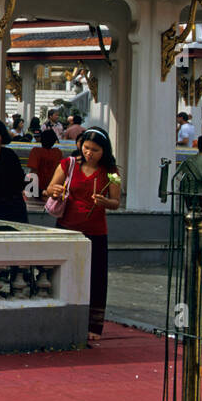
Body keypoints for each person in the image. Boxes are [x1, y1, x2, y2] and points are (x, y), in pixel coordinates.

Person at [46, 129, 121, 342]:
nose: (89, 153)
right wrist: (55, 190)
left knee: (96, 278)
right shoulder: (68, 164)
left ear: (104, 151)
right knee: (63, 275)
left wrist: (105, 202)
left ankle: (93, 325)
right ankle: (59, 318)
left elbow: (116, 202)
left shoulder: (110, 172)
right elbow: (50, 187)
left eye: (95, 150)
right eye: (86, 148)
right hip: (66, 228)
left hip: (96, 231)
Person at [26, 127, 63, 197]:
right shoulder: (58, 153)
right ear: (54, 141)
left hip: (37, 188)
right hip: (52, 187)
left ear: (41, 139)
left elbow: (33, 172)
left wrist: (27, 189)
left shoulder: (36, 151)